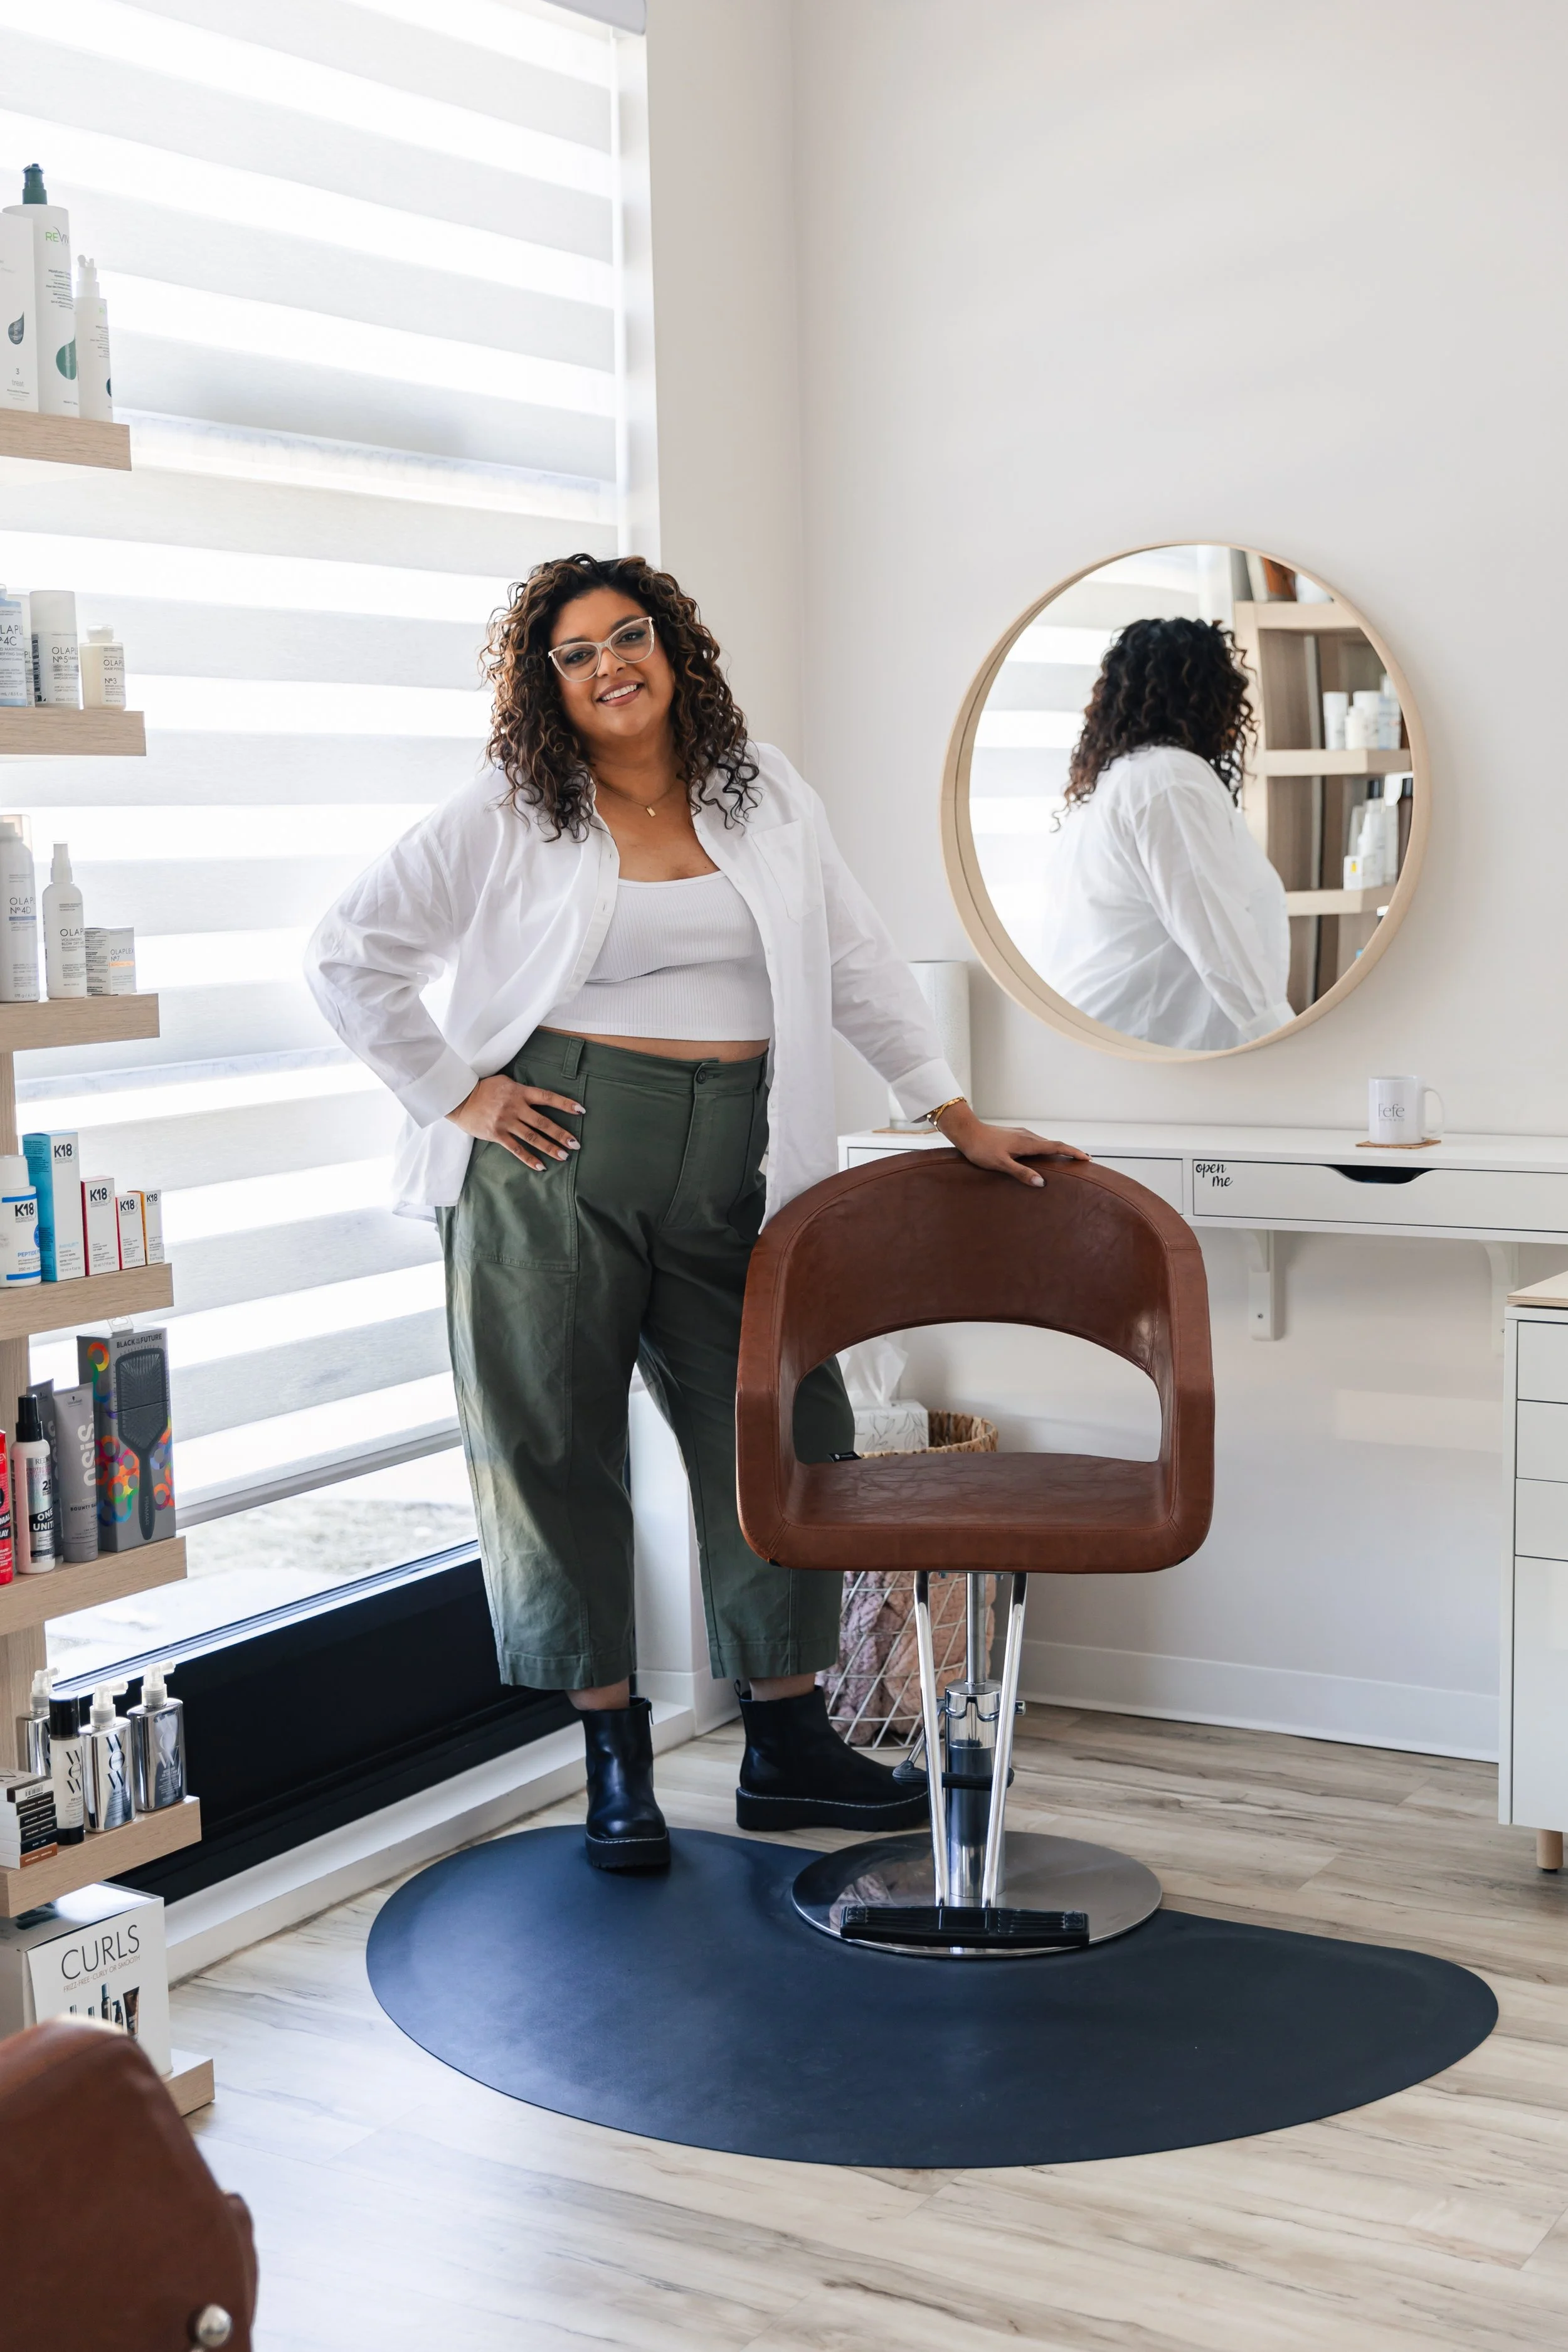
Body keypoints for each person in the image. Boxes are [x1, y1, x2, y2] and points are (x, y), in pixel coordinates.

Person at [307, 552, 1082, 1872]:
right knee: (552, 1445)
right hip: (555, 1152)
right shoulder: (509, 809)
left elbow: (851, 961)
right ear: (542, 681)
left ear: (672, 648)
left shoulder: (762, 790)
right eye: (574, 651)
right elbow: (349, 950)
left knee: (785, 1428)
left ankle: (786, 1744)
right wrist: (458, 1094)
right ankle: (614, 1760)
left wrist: (952, 1113)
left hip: (739, 1155)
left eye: (628, 636)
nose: (609, 665)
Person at [1043, 617, 1293, 1051]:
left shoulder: (1125, 778)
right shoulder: (1169, 780)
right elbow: (1219, 934)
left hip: (1125, 1040)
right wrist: (1286, 1044)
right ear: (1210, 693)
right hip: (1147, 1041)